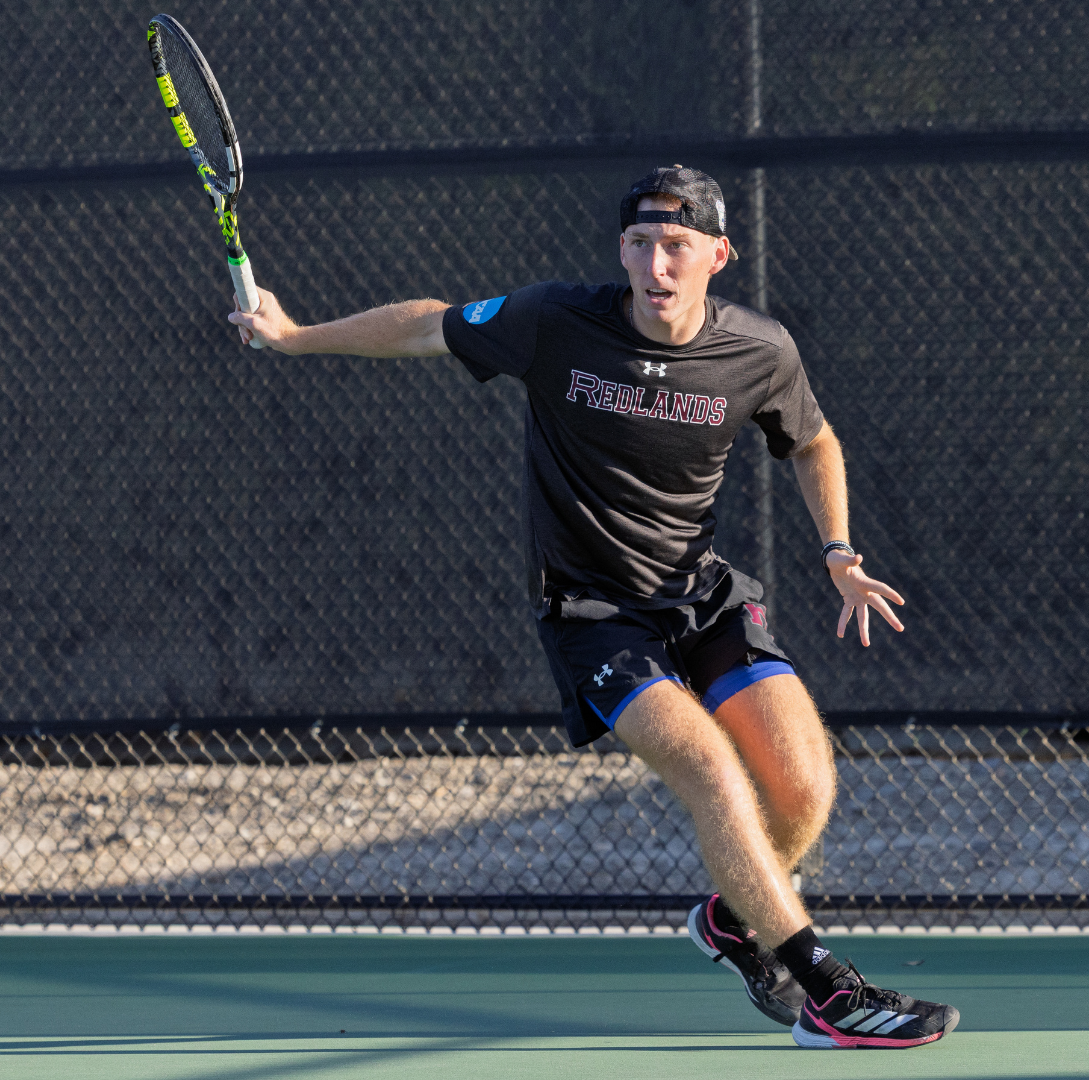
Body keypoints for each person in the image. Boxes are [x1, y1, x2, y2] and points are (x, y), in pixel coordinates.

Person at [227, 166, 958, 1050]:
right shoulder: (555, 323)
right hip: (594, 615)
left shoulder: (760, 351)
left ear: (717, 256)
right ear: (622, 249)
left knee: (801, 783)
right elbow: (429, 322)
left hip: (703, 597)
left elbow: (813, 440)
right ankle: (828, 995)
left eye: (678, 246)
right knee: (715, 774)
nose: (657, 263)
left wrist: (839, 550)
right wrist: (295, 334)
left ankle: (735, 921)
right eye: (641, 244)